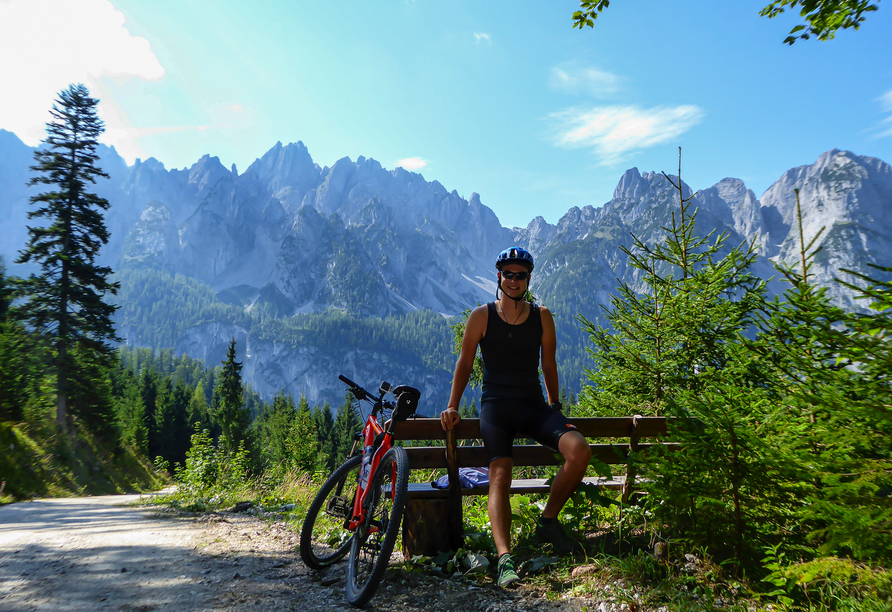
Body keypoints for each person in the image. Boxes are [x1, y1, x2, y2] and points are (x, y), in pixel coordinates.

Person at [440, 246, 591, 588]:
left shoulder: (542, 316)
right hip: (495, 408)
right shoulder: (482, 316)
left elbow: (548, 364)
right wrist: (452, 405)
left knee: (579, 450)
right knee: (500, 475)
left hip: (534, 406)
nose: (513, 280)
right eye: (508, 274)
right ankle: (505, 559)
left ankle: (548, 522)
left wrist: (554, 404)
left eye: (520, 274)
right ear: (499, 277)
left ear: (528, 279)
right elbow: (464, 364)